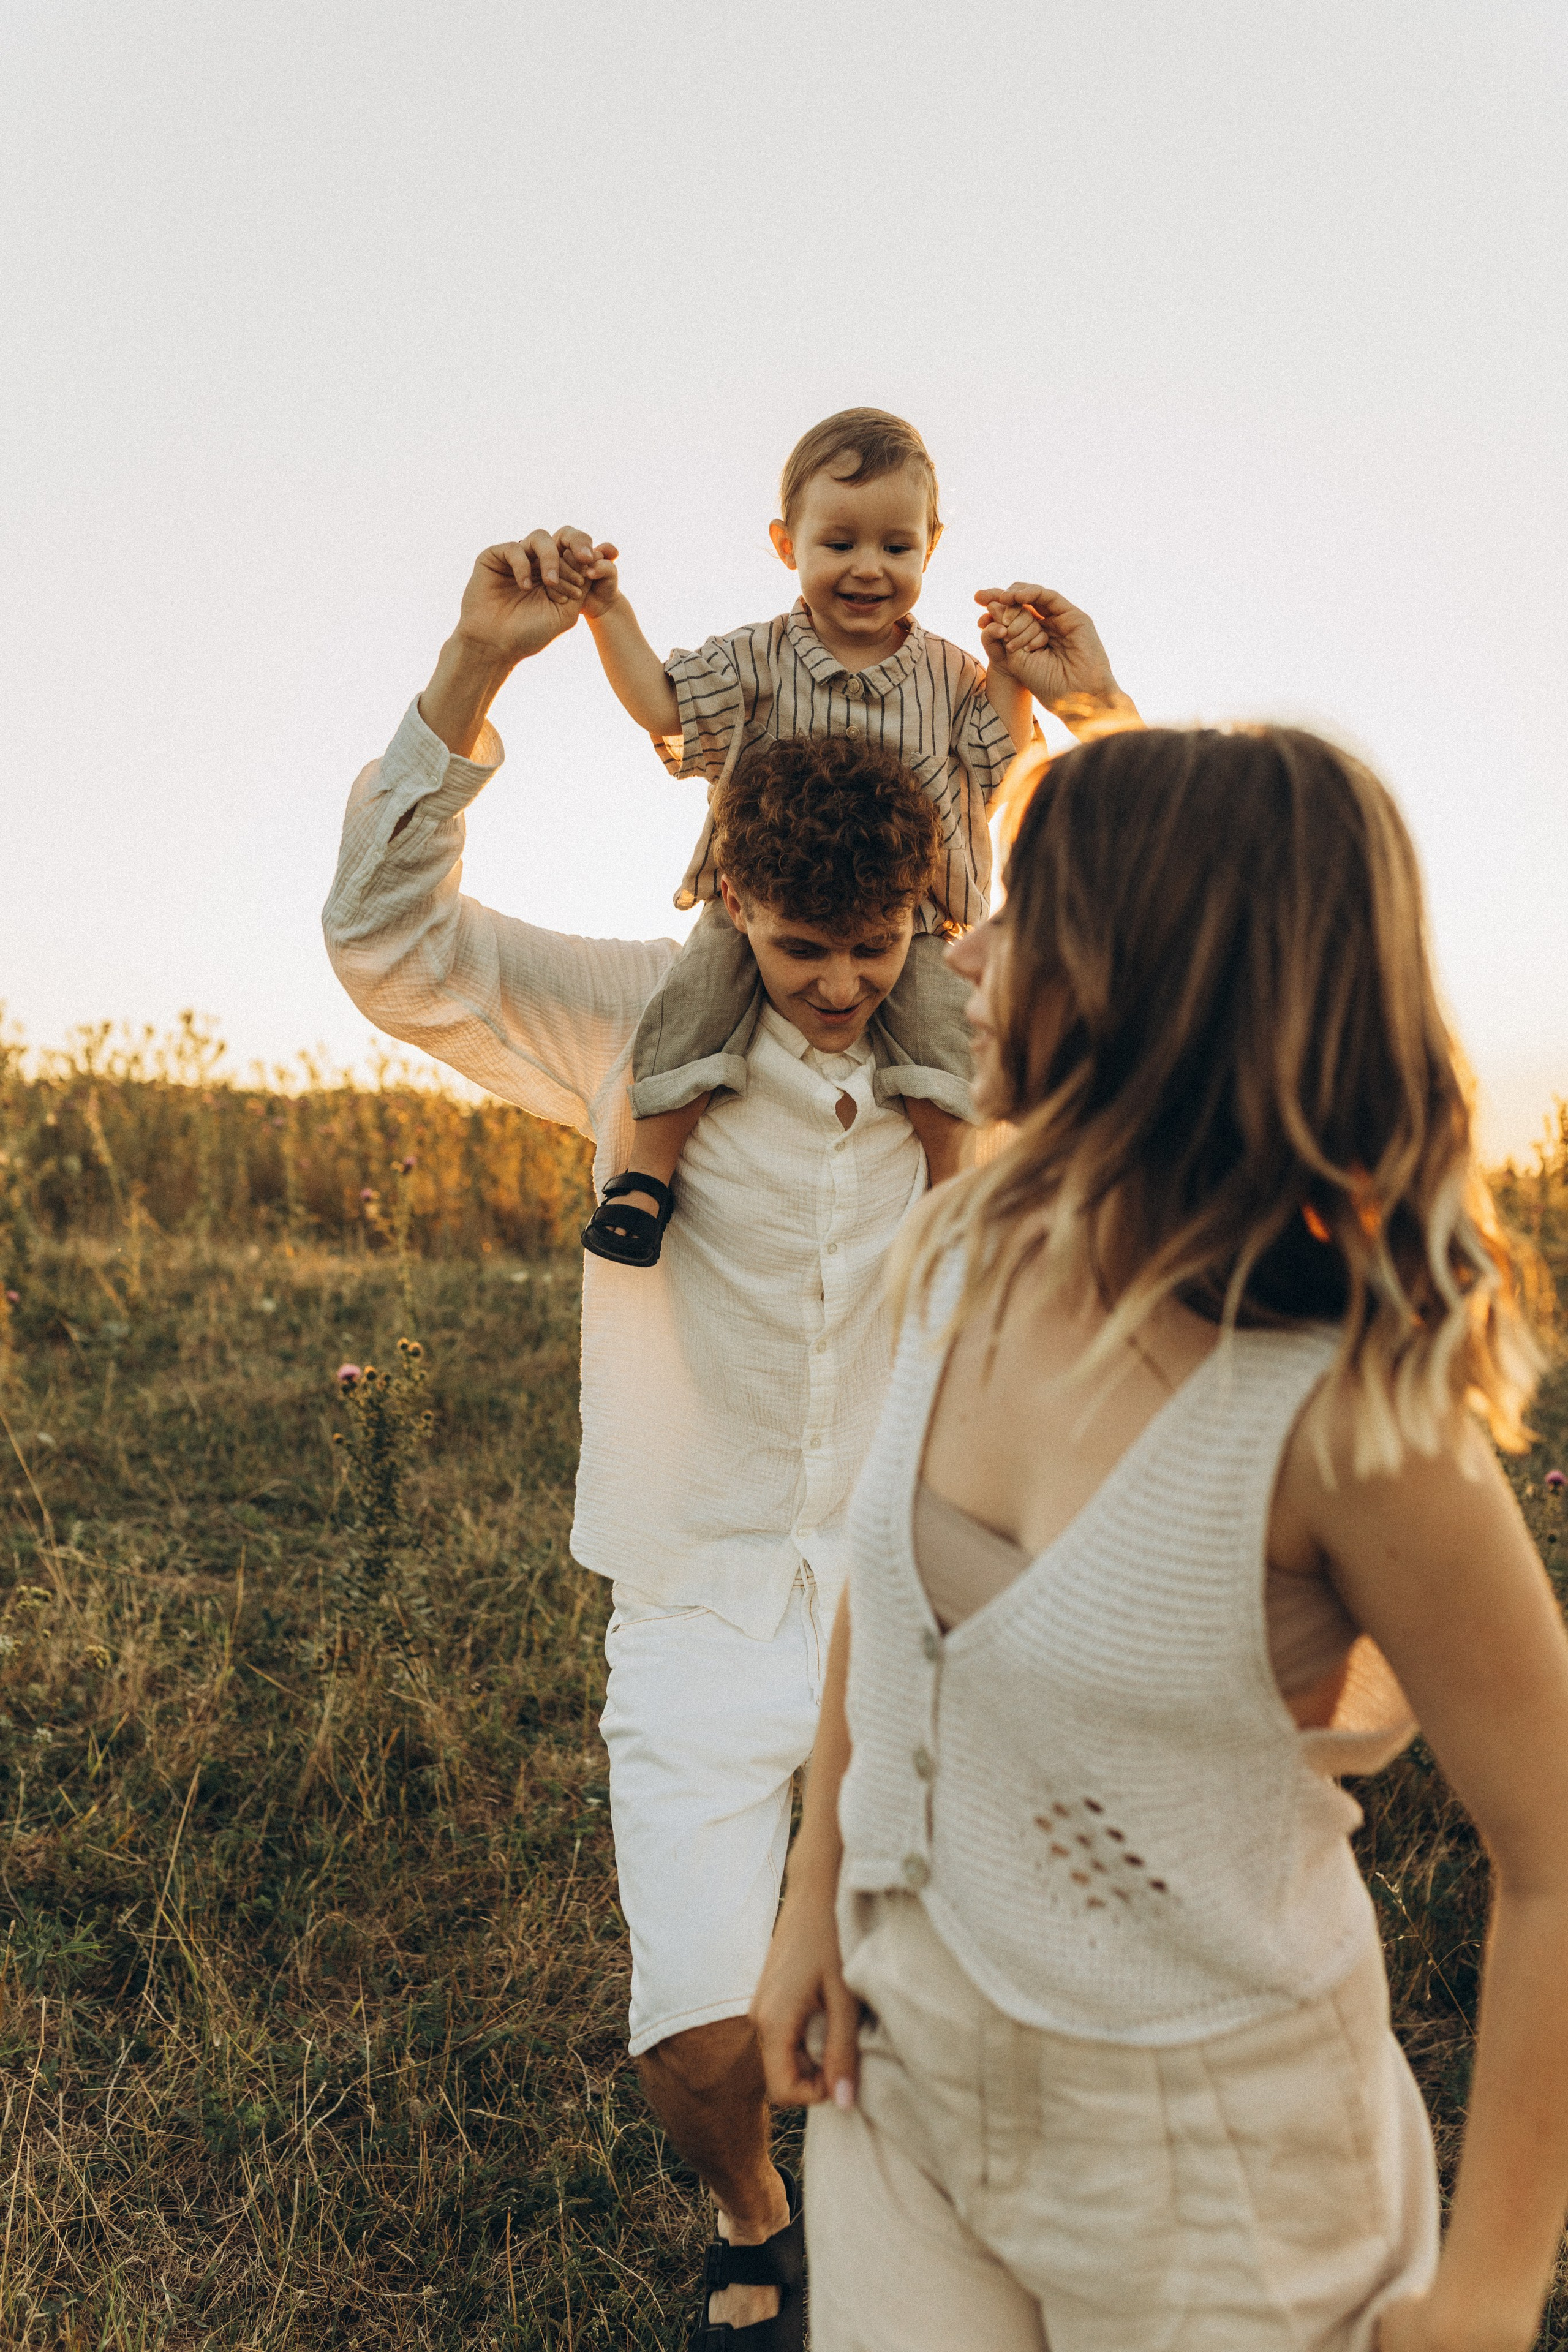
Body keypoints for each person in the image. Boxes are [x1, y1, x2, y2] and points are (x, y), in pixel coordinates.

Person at [321, 529, 1137, 2350]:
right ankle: (751, 2208)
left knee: (978, 2020)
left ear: (929, 915)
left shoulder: (973, 1021)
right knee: (699, 2039)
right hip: (693, 1603)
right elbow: (386, 940)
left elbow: (1189, 916)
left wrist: (1090, 709)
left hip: (926, 1609)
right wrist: (475, 666)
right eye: (795, 951)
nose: (838, 988)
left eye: (872, 951)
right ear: (732, 906)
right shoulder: (634, 1031)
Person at [753, 723, 1568, 2351]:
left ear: (1152, 975)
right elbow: (886, 1599)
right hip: (898, 2079)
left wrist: (1483, 2296)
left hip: (1220, 2173)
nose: (964, 958)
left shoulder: (1346, 1416)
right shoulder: (974, 1239)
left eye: (1022, 916)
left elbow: (1556, 1852)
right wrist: (813, 1902)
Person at [553, 407, 1133, 1267]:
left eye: (896, 548)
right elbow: (667, 708)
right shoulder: (757, 657)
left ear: (931, 547)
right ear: (788, 545)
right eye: (839, 544)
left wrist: (1013, 673)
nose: (868, 569)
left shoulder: (946, 673)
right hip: (765, 899)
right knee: (695, 1000)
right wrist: (607, 613)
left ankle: (951, 1199)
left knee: (946, 1033)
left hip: (914, 912)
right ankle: (646, 1179)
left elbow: (999, 762)